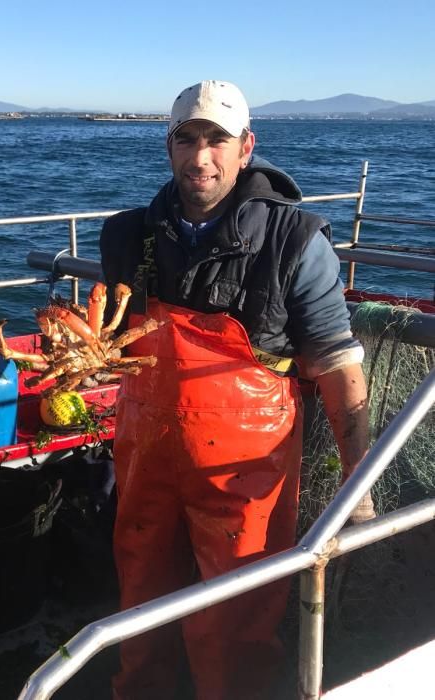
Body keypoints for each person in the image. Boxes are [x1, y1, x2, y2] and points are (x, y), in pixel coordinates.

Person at [99, 80, 375, 700]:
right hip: (144, 455)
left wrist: (359, 484)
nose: (201, 157)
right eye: (186, 139)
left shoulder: (296, 241)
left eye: (217, 141)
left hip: (246, 471)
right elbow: (113, 342)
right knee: (139, 595)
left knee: (237, 615)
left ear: (246, 147)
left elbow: (335, 362)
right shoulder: (124, 236)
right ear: (168, 147)